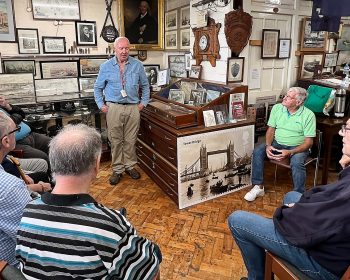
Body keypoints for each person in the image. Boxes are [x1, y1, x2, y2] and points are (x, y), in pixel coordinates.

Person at [16, 124, 162, 279]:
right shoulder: (107, 224)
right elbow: (149, 273)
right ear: (96, 164)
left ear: (53, 161)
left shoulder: (29, 212)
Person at [228, 118, 350, 280]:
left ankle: (256, 278)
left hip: (323, 264)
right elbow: (329, 199)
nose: (341, 132)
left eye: (347, 129)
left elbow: (319, 221)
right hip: (333, 244)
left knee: (237, 220)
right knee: (291, 195)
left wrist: (289, 212)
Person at [94, 37, 150, 185]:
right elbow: (97, 88)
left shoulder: (138, 65)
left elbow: (145, 86)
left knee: (131, 140)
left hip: (133, 107)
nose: (124, 51)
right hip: (114, 108)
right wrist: (101, 105)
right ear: (115, 49)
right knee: (116, 140)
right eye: (121, 48)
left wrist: (143, 103)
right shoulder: (105, 67)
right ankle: (117, 169)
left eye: (127, 48)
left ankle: (130, 166)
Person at [244, 87, 316, 202]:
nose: (284, 98)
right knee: (258, 151)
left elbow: (309, 142)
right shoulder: (277, 108)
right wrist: (268, 145)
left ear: (298, 102)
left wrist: (291, 152)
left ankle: (299, 195)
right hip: (277, 143)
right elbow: (271, 130)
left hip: (298, 147)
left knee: (297, 162)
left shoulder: (309, 115)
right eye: (285, 95)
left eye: (288, 97)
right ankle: (258, 187)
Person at [0, 112, 31, 266]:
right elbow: (30, 238)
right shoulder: (9, 186)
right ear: (6, 141)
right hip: (11, 266)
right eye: (15, 131)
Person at [0, 96, 51, 164]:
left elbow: (21, 114)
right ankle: (54, 173)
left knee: (55, 145)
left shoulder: (1, 107)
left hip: (31, 135)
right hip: (15, 143)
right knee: (42, 157)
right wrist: (15, 118)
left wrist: (7, 106)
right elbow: (11, 121)